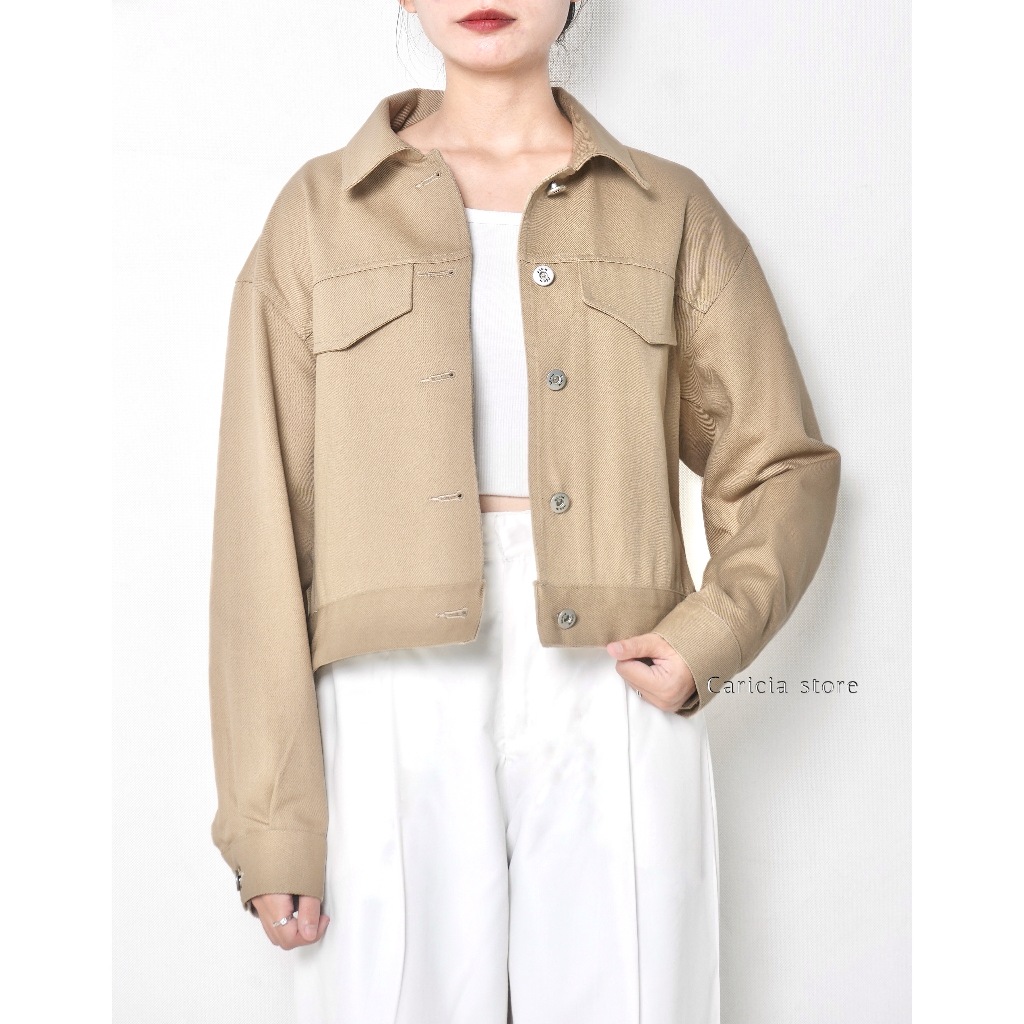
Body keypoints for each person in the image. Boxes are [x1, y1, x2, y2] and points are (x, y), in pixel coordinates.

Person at [207, 2, 841, 1022]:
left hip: (614, 673)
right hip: (389, 686)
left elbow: (780, 463)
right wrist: (270, 820)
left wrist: (707, 636)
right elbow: (259, 525)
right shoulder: (319, 213)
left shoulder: (668, 210)